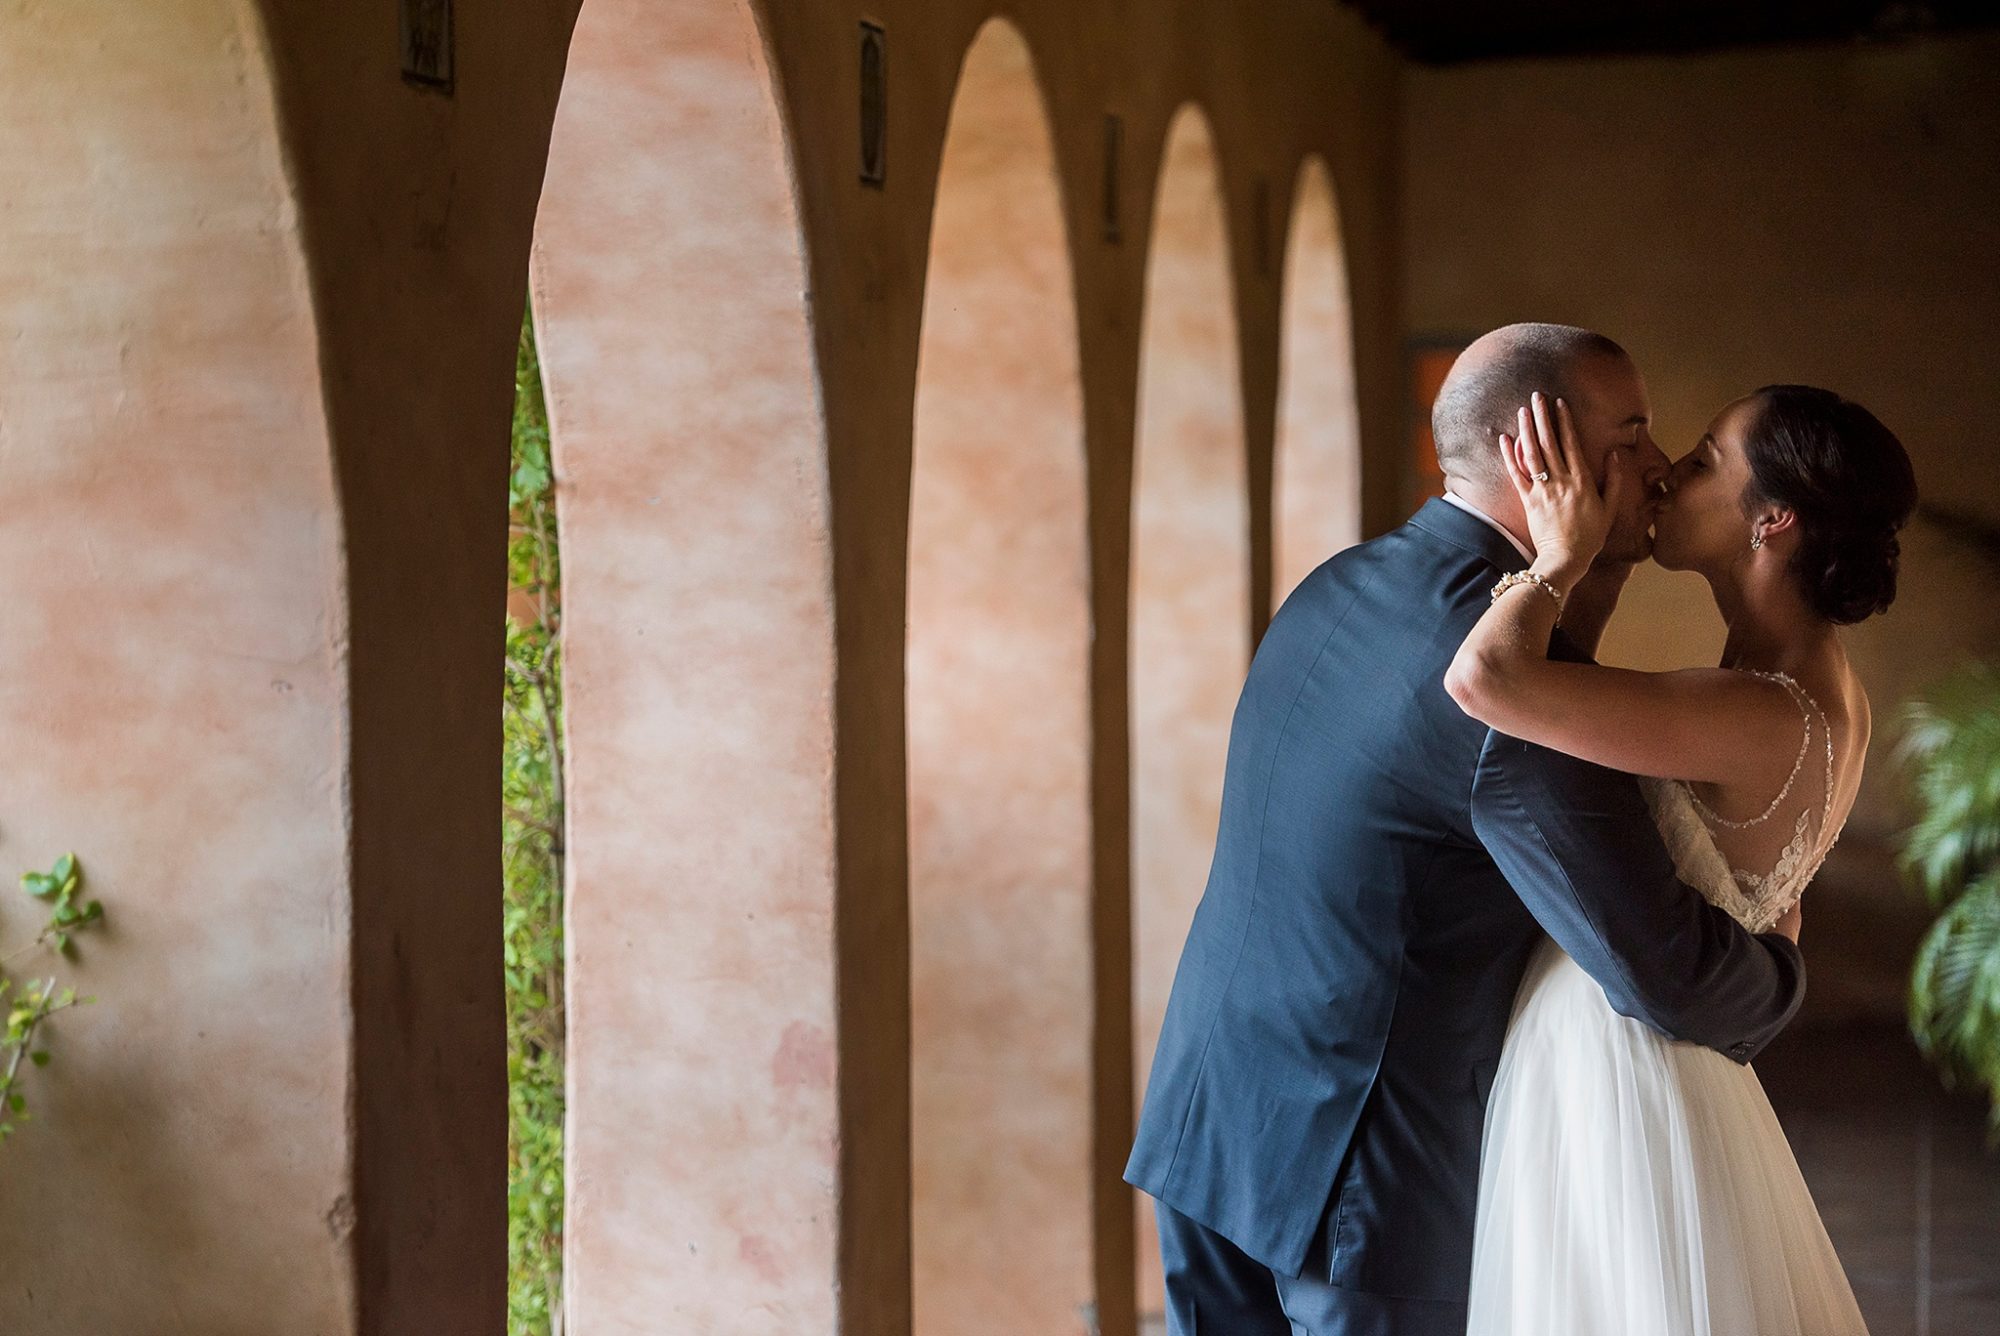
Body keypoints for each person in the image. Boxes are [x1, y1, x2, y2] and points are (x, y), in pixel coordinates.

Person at [1126, 323, 1807, 1335]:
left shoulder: (1341, 582)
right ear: (1544, 459)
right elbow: (1656, 961)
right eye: (1631, 435)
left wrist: (1577, 575)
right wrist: (1779, 969)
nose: (1659, 467)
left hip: (1214, 1115)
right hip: (1356, 1185)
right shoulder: (1516, 701)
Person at [1451, 382, 1916, 1335]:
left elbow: (1486, 678)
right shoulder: (1819, 693)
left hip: (1615, 1059)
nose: (1670, 473)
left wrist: (1560, 556)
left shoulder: (1757, 710)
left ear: (1772, 519)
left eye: (1705, 462)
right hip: (1665, 1049)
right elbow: (1776, 908)